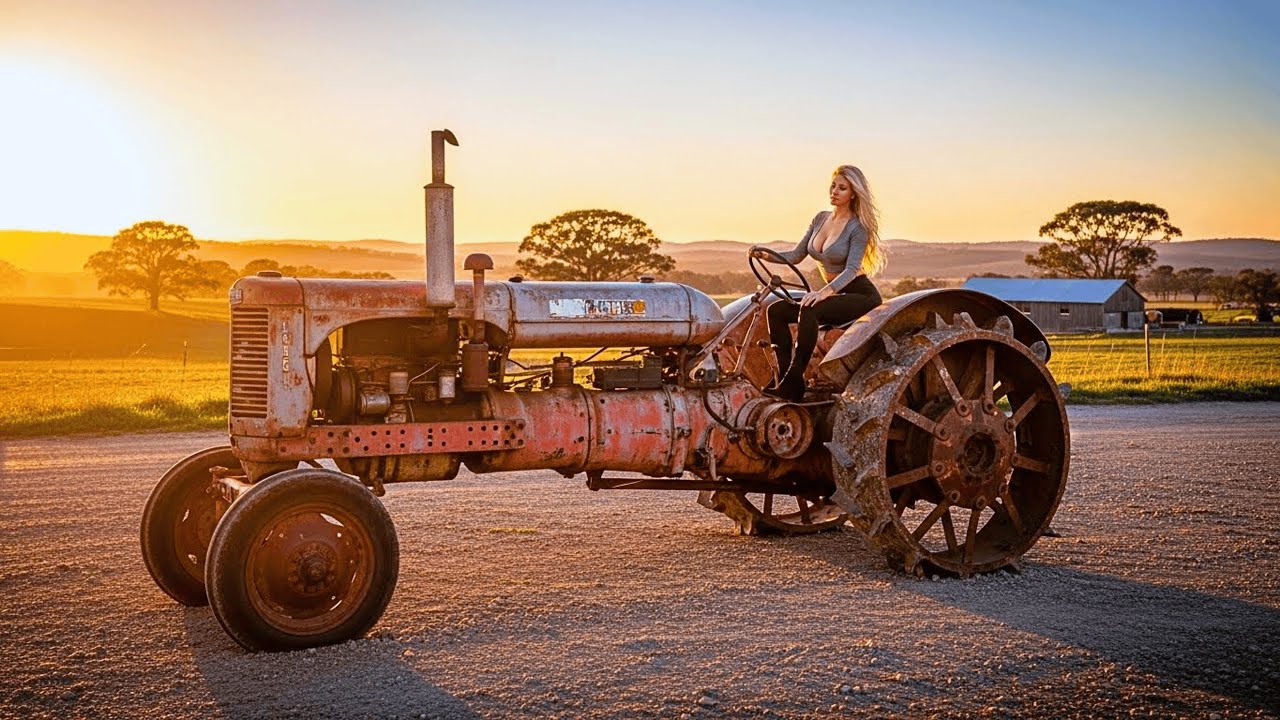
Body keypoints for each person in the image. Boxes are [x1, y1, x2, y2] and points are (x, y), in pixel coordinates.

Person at [752, 165, 887, 401]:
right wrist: (766, 255)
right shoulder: (820, 219)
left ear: (853, 193)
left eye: (842, 188)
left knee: (810, 309)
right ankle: (785, 379)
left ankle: (795, 380)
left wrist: (824, 292)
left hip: (860, 294)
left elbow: (852, 270)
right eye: (833, 186)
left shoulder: (858, 228)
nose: (834, 192)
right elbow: (795, 255)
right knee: (777, 311)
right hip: (834, 293)